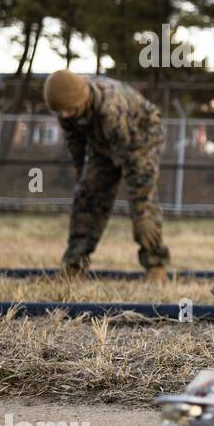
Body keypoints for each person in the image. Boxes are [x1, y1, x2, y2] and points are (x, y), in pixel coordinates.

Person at [45, 70, 170, 282]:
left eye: (68, 110)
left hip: (141, 140)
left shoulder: (111, 108)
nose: (64, 115)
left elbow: (131, 158)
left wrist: (140, 198)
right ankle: (74, 265)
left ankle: (156, 266)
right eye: (60, 112)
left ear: (80, 101)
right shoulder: (67, 106)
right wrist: (80, 175)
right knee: (87, 198)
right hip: (102, 145)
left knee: (143, 208)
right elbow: (76, 143)